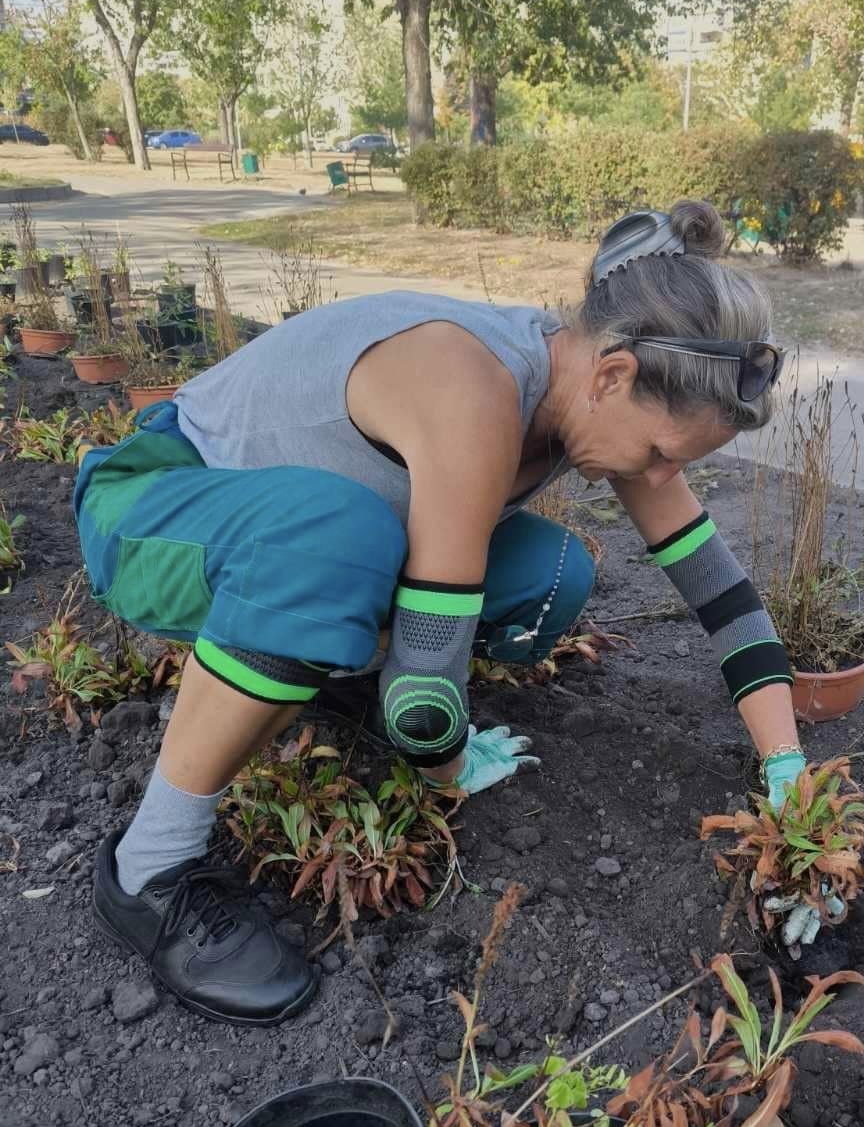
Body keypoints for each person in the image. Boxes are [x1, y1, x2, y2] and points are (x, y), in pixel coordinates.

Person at [72, 200, 808, 1027]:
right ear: (613, 375)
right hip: (154, 512)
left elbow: (723, 596)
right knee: (338, 546)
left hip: (284, 540)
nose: (655, 474)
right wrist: (445, 759)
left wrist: (788, 772)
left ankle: (325, 672)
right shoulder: (473, 386)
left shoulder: (605, 390)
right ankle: (150, 868)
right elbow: (425, 699)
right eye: (662, 454)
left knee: (549, 571)